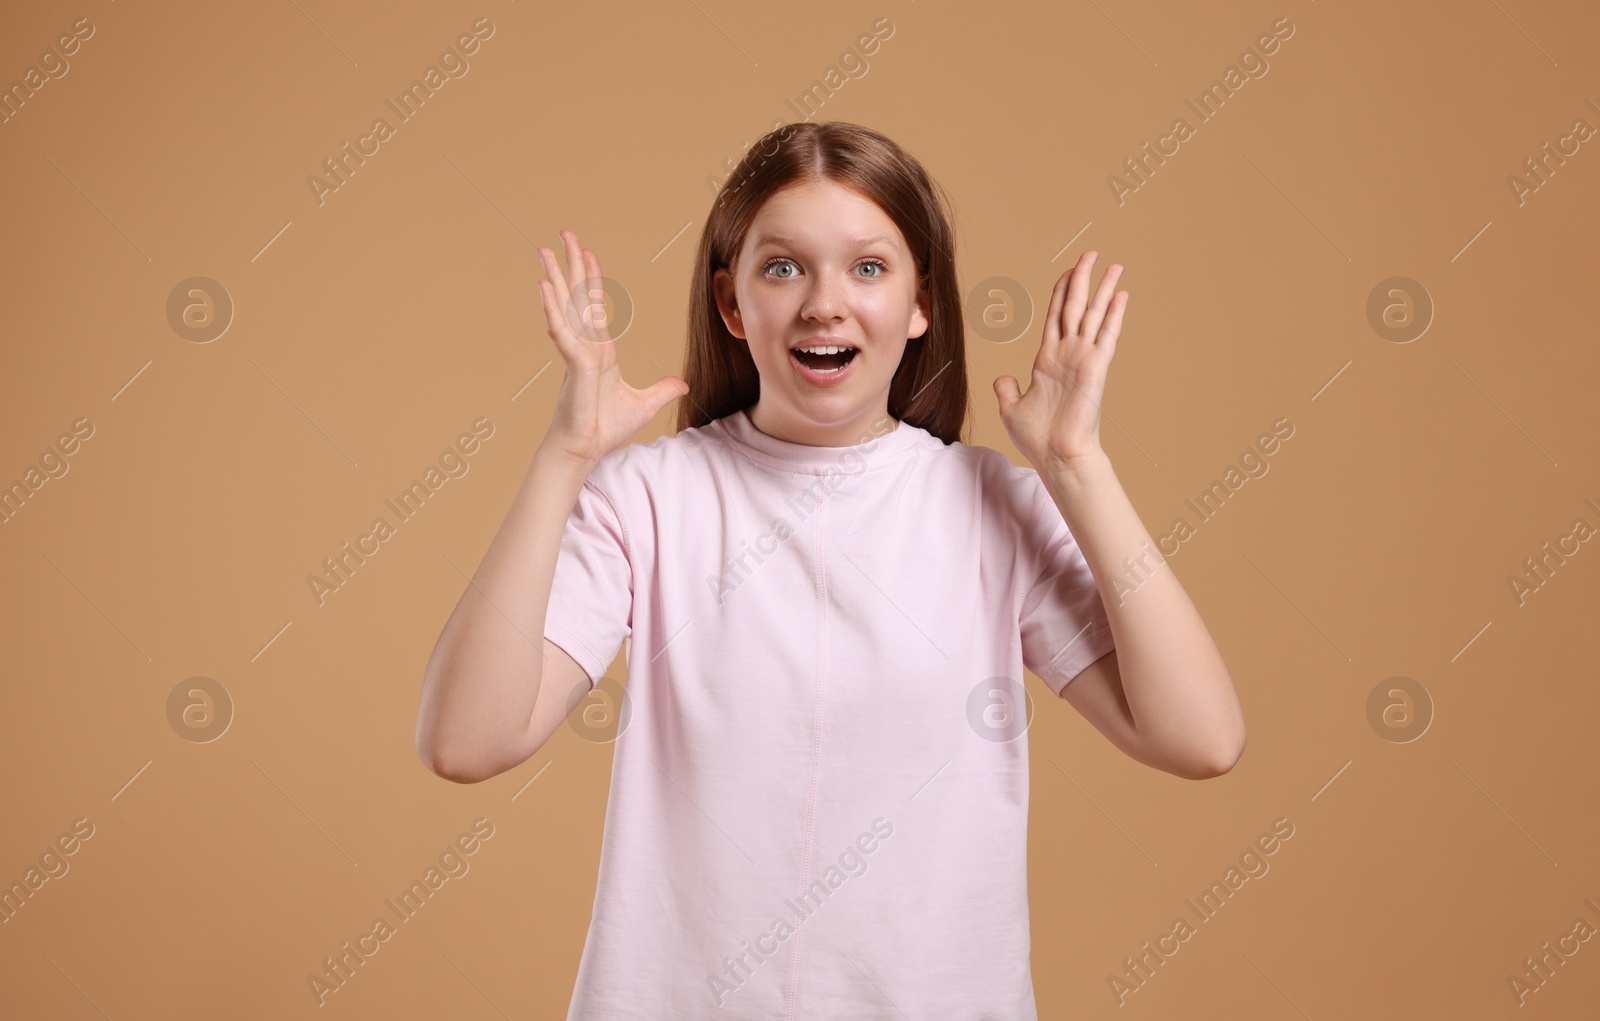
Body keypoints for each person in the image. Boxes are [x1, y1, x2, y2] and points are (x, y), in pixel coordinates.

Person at [415, 120, 1246, 1020]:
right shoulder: (650, 498)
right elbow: (466, 741)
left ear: (920, 304)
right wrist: (564, 456)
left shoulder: (989, 504)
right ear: (733, 305)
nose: (823, 303)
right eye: (783, 267)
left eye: (868, 267)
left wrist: (1078, 468)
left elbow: (1200, 737)